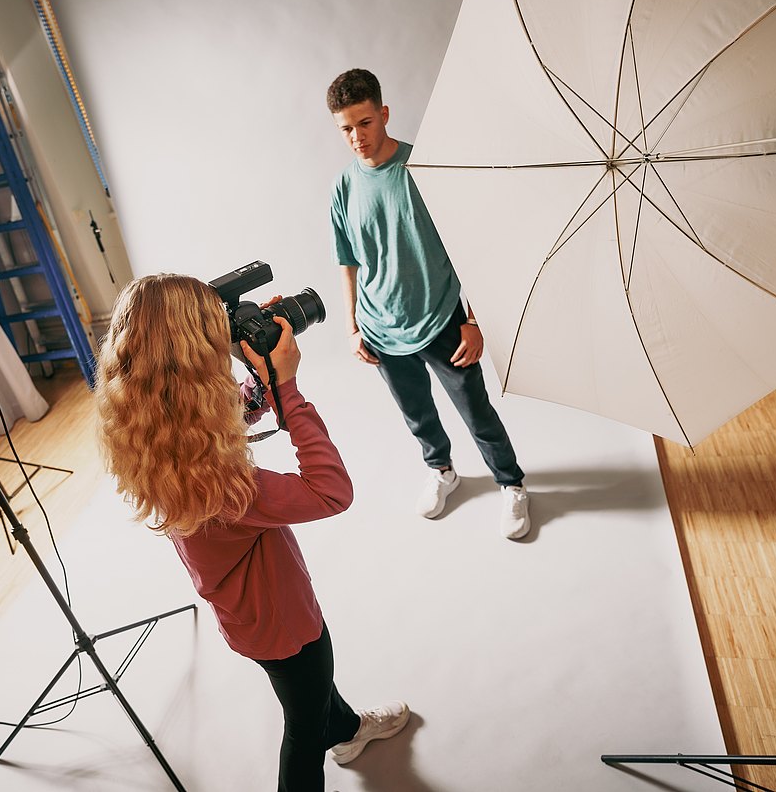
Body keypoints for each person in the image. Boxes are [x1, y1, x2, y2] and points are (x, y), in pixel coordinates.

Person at [94, 273, 409, 792]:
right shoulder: (226, 489)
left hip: (248, 614)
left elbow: (212, 421)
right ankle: (334, 737)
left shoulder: (153, 435)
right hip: (283, 619)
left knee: (308, 690)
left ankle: (348, 730)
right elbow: (332, 491)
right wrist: (286, 385)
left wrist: (258, 380)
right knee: (304, 723)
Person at [326, 67, 531, 540]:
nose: (357, 137)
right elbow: (347, 264)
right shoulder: (343, 187)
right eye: (346, 128)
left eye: (365, 123)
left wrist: (475, 320)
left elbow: (472, 250)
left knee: (476, 410)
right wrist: (353, 325)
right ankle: (442, 470)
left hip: (441, 318)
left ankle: (512, 483)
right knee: (416, 412)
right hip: (381, 327)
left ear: (384, 113)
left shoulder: (423, 172)